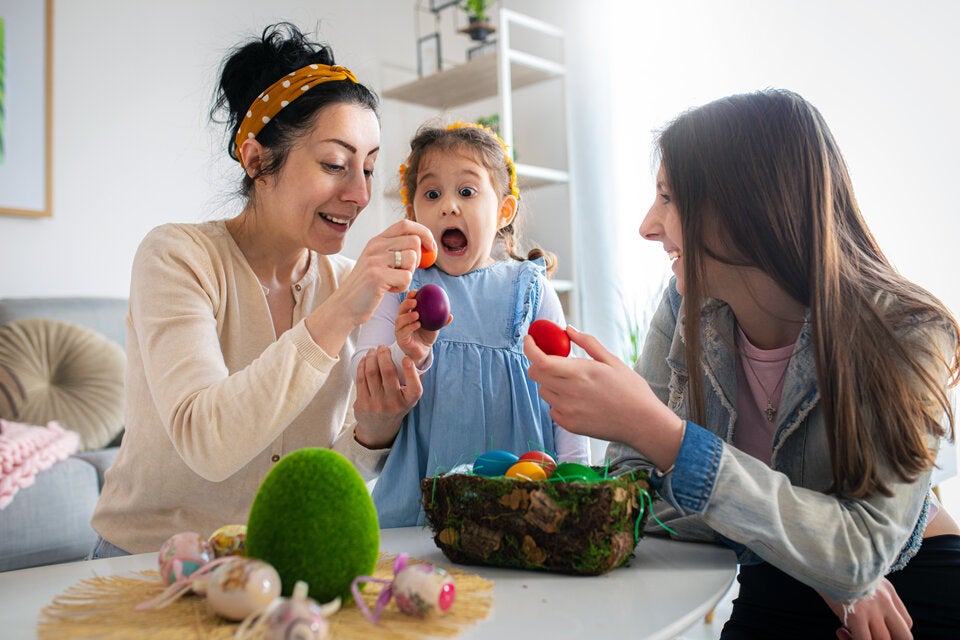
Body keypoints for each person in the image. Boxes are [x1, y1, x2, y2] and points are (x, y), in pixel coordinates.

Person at [524, 89, 960, 639]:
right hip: (781, 577)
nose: (647, 225)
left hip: (913, 586)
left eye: (668, 198)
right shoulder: (685, 305)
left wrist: (663, 435)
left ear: (745, 206)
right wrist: (823, 568)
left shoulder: (909, 333)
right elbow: (632, 489)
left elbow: (862, 551)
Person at [89, 23, 435, 556]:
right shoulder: (176, 257)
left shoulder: (346, 284)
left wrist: (376, 424)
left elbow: (328, 474)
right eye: (335, 165)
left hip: (279, 564)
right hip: (143, 567)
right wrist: (341, 312)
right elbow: (207, 442)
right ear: (256, 160)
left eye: (368, 168)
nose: (361, 194)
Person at [351, 122, 591, 527]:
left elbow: (566, 393)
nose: (448, 206)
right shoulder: (399, 290)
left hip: (524, 506)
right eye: (431, 194)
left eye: (466, 191)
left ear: (503, 211)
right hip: (421, 510)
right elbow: (366, 377)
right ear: (413, 215)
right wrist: (411, 352)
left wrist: (578, 482)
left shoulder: (531, 291)